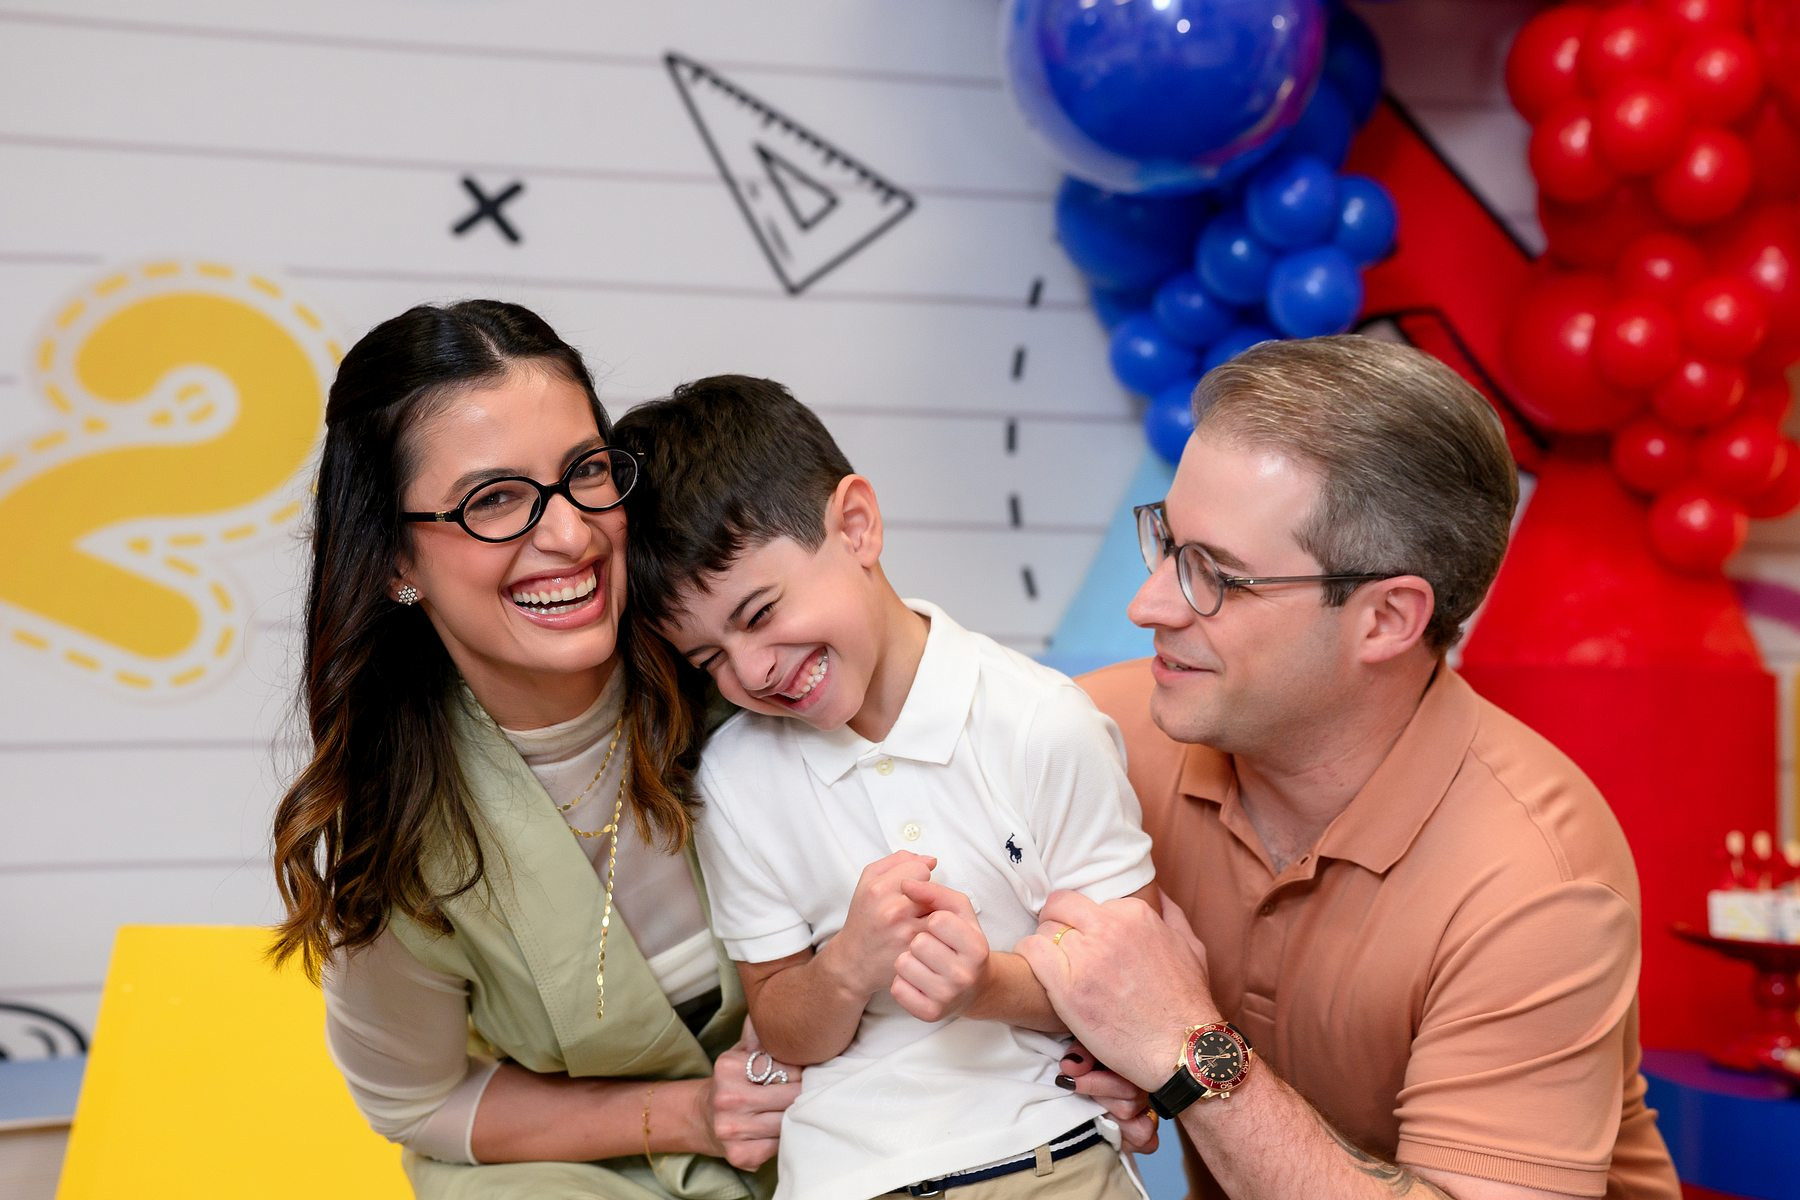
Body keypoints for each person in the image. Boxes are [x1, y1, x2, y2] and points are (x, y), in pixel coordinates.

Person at [1018, 336, 1681, 1200]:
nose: (1147, 606)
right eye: (1166, 543)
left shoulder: (1536, 879)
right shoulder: (1095, 735)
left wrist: (1186, 1049)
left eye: (1214, 575)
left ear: (1386, 620)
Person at [269, 301, 798, 1199]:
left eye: (585, 472)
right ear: (395, 561)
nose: (570, 534)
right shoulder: (396, 821)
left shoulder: (747, 663)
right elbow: (416, 1099)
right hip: (581, 1169)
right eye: (494, 500)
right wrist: (686, 1114)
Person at [614, 377, 1159, 1200]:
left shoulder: (1039, 723)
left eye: (759, 614)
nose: (751, 671)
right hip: (844, 1176)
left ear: (857, 526)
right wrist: (845, 969)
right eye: (709, 659)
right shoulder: (735, 779)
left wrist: (985, 985)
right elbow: (784, 1027)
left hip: (1044, 1153)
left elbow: (1137, 989)